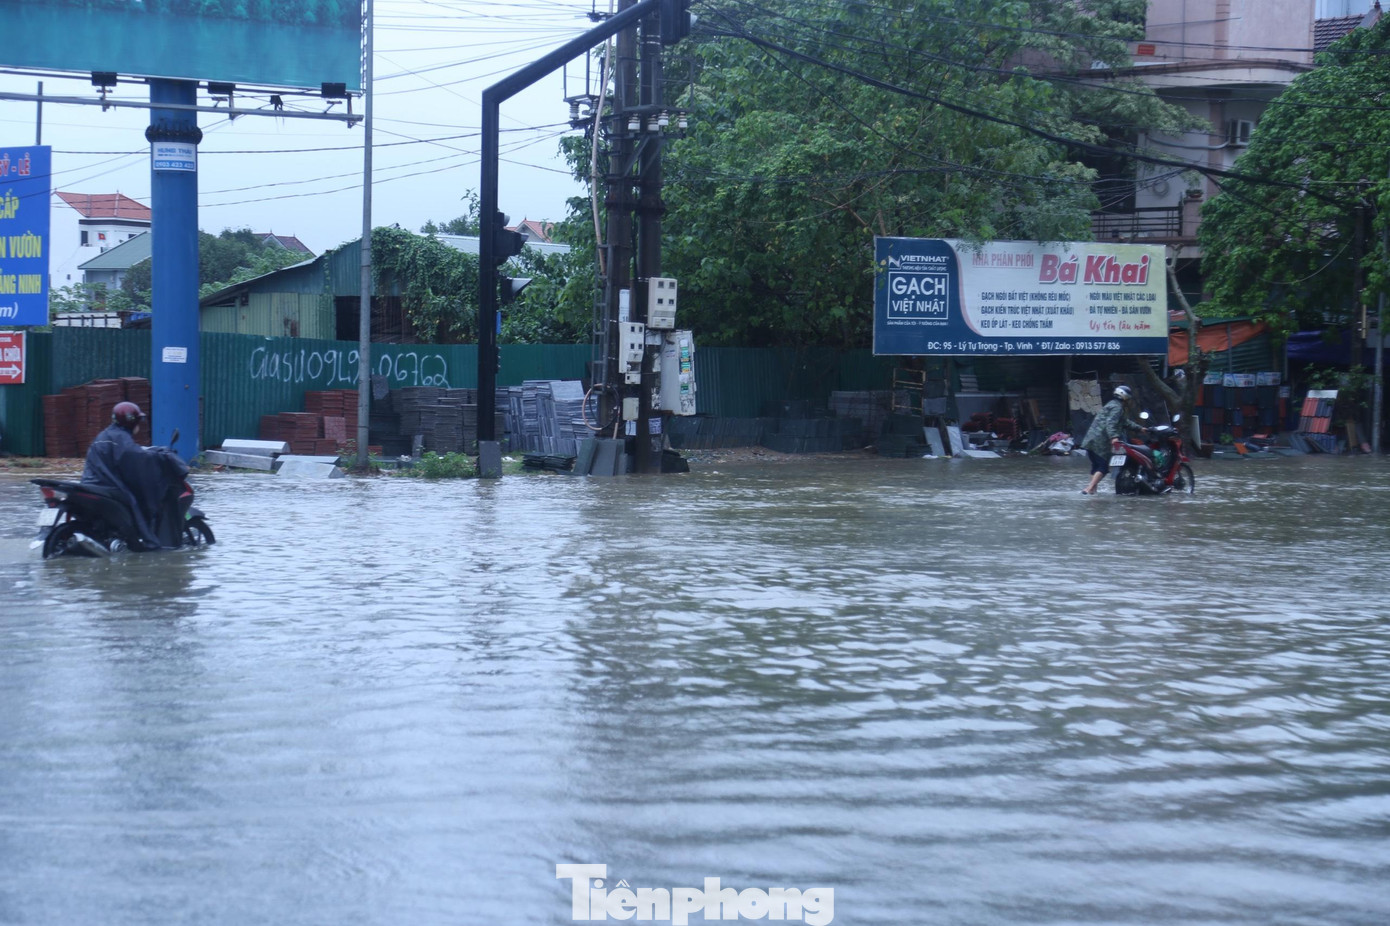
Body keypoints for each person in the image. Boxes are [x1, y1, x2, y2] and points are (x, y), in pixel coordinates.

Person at [81, 402, 175, 548]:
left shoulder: (104, 435)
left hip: (91, 484)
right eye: (138, 420)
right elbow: (137, 461)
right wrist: (159, 458)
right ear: (131, 421)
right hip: (108, 487)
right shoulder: (121, 438)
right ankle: (147, 542)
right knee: (135, 501)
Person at [1080, 384, 1146, 495]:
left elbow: (1125, 422)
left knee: (1096, 466)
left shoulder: (1111, 404)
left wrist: (1140, 428)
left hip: (1091, 439)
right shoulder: (1117, 408)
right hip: (1100, 442)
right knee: (1103, 468)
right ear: (1126, 397)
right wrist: (1114, 437)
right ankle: (1089, 488)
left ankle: (1092, 492)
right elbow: (1111, 423)